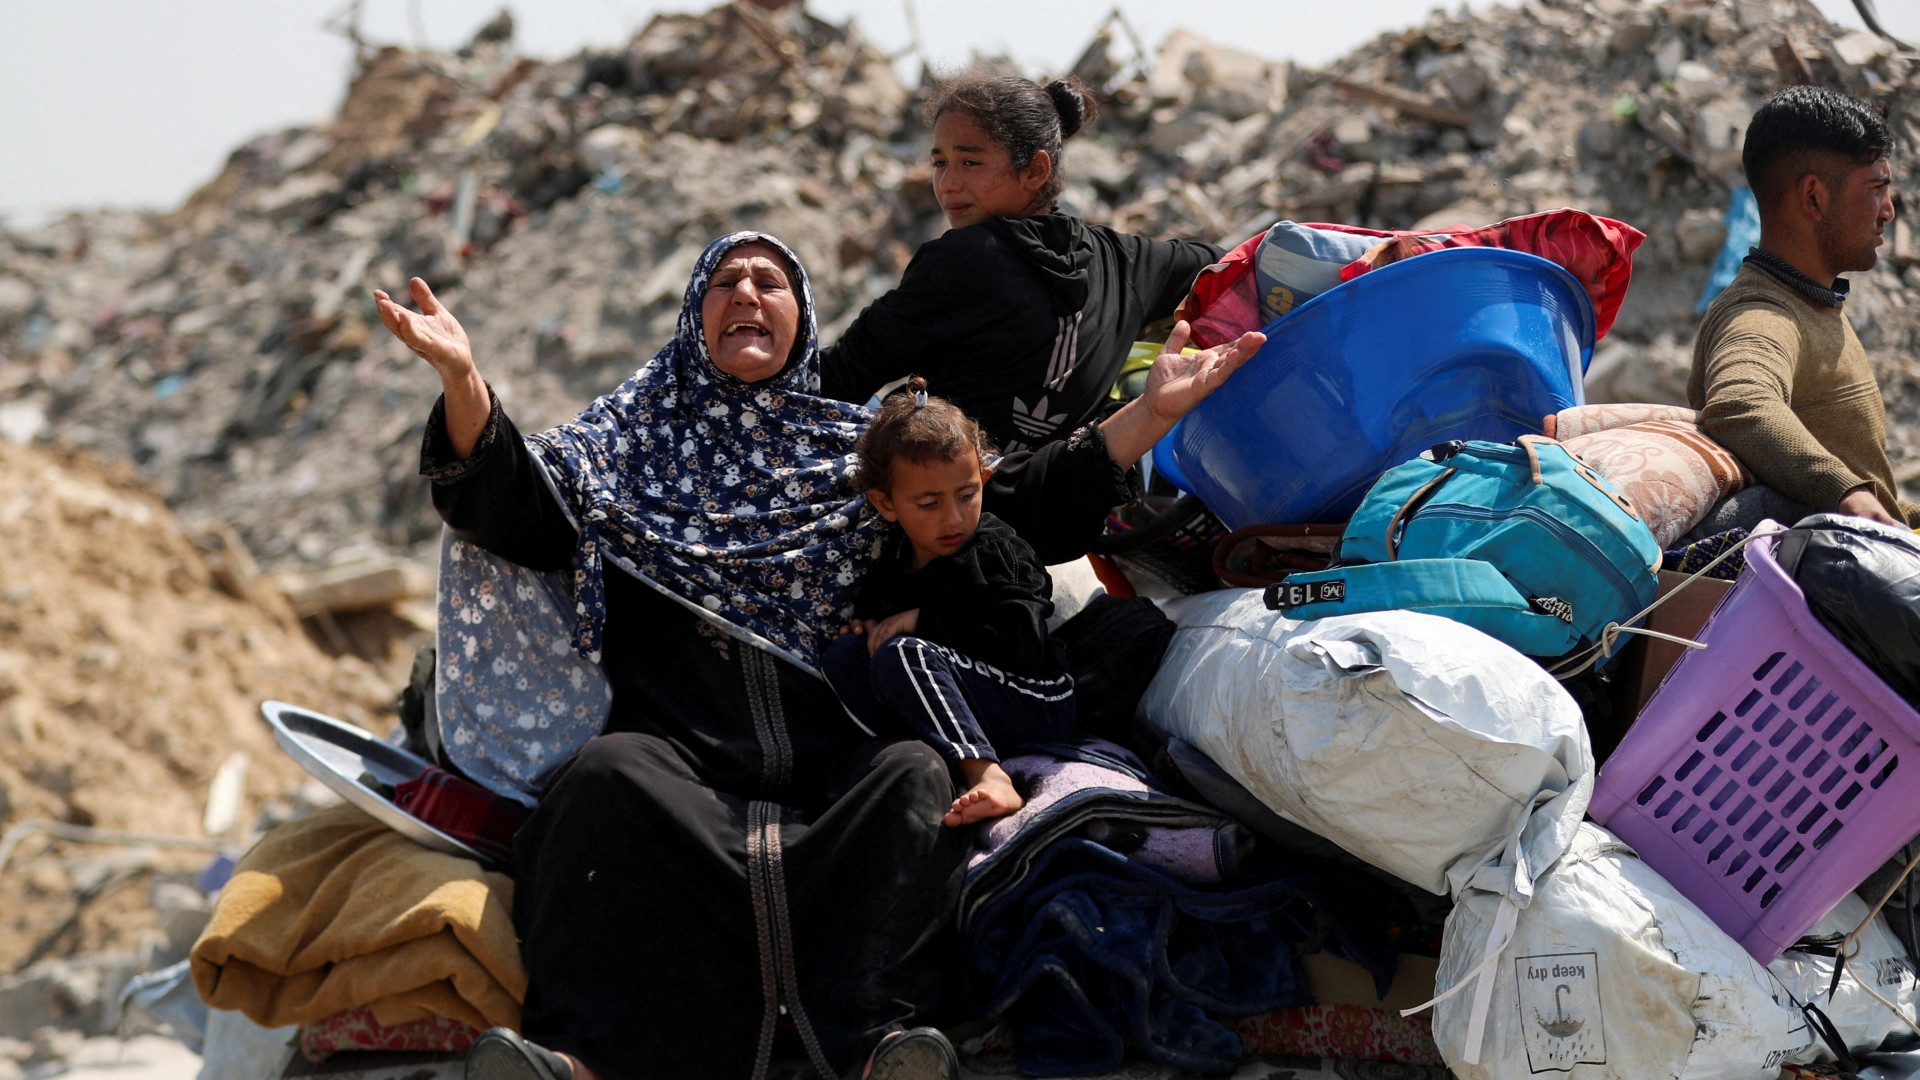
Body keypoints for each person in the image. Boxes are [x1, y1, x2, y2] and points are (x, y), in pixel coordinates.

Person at [372, 231, 1262, 1080]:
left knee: (916, 776)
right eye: (726, 283)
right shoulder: (614, 452)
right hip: (681, 760)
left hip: (837, 756)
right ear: (694, 314)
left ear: (803, 315)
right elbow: (509, 504)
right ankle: (591, 1058)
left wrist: (1150, 412)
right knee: (601, 783)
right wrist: (463, 381)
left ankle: (880, 1044)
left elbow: (1009, 495)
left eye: (771, 282)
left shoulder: (860, 457)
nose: (747, 295)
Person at [820, 72, 1225, 453]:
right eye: (939, 162)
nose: (947, 184)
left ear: (1035, 170)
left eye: (970, 162)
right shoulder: (1123, 261)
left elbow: (839, 378)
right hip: (1069, 505)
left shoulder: (962, 260)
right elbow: (1226, 263)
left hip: (956, 512)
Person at [824, 377, 1073, 828]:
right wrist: (865, 633)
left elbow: (1022, 640)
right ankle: (925, 767)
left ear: (984, 478)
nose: (953, 518)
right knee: (846, 656)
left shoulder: (999, 551)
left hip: (1035, 700)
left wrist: (924, 621)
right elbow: (879, 639)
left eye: (966, 495)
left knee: (906, 654)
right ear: (885, 503)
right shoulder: (890, 569)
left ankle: (989, 776)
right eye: (928, 503)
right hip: (959, 705)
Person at [1688, 84, 1916, 533]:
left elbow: (1876, 496)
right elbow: (1741, 403)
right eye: (1875, 189)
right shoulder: (1760, 313)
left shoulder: (1813, 304)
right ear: (1813, 197)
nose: (1888, 210)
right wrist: (1846, 495)